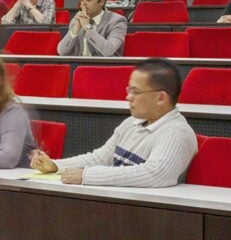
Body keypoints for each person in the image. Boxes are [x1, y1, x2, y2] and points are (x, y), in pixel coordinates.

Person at [29, 59, 197, 186]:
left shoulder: (176, 132)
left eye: (135, 91)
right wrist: (55, 166)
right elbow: (101, 158)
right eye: (129, 90)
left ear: (161, 97)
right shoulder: (132, 122)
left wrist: (87, 176)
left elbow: (155, 174)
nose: (128, 97)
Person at [57, 0, 126, 57]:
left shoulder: (117, 21)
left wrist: (88, 27)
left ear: (101, 2)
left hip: (105, 66)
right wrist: (74, 30)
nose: (83, 3)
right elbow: (61, 51)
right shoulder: (76, 19)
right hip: (80, 66)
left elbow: (108, 51)